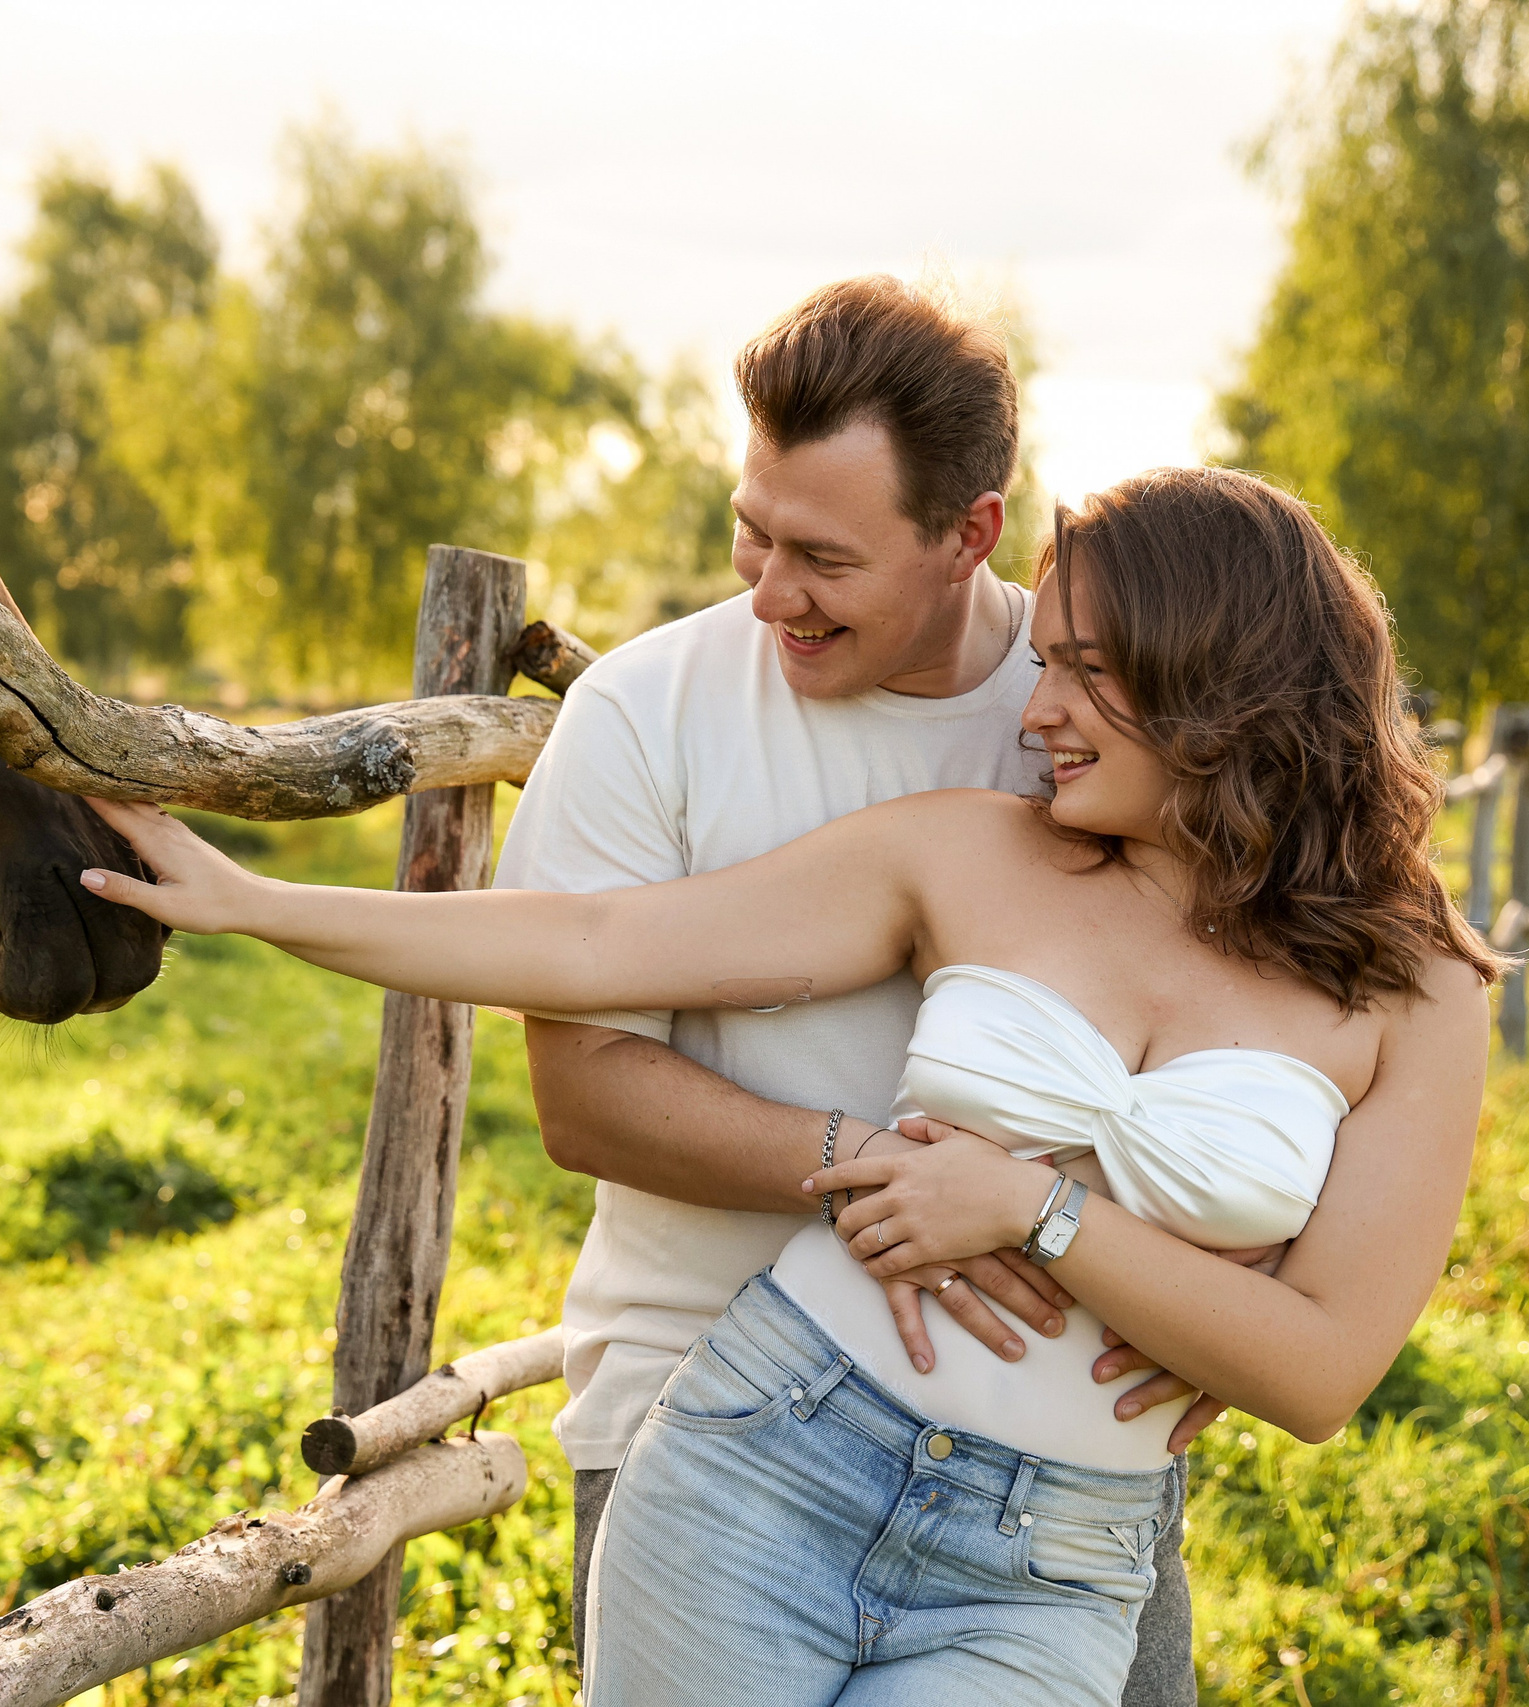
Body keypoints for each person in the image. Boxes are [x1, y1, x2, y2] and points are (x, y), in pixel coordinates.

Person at [76, 463, 1497, 1706]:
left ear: (1221, 683)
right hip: (770, 1457)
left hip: (1053, 1564)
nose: (1037, 712)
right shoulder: (977, 852)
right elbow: (596, 940)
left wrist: (1033, 1210)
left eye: (1084, 672)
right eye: (1042, 663)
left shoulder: (1420, 988)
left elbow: (1320, 1372)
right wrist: (257, 904)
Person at [483, 277, 1219, 1707]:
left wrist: (1216, 1300)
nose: (769, 593)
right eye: (752, 531)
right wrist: (897, 1186)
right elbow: (585, 1098)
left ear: (970, 534)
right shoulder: (644, 713)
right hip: (706, 1422)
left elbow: (1248, 999)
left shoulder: (1100, 718)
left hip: (1060, 1466)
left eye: (822, 556)